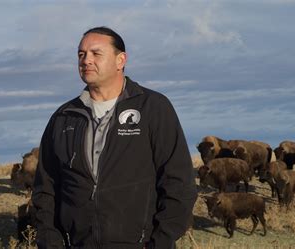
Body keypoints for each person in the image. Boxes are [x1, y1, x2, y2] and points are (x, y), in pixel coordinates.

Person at [33, 26, 197, 249]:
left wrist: (161, 240)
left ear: (121, 60)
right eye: (81, 54)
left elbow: (178, 182)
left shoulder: (152, 108)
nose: (86, 60)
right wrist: (51, 242)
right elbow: (46, 188)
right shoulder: (64, 117)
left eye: (96, 53)